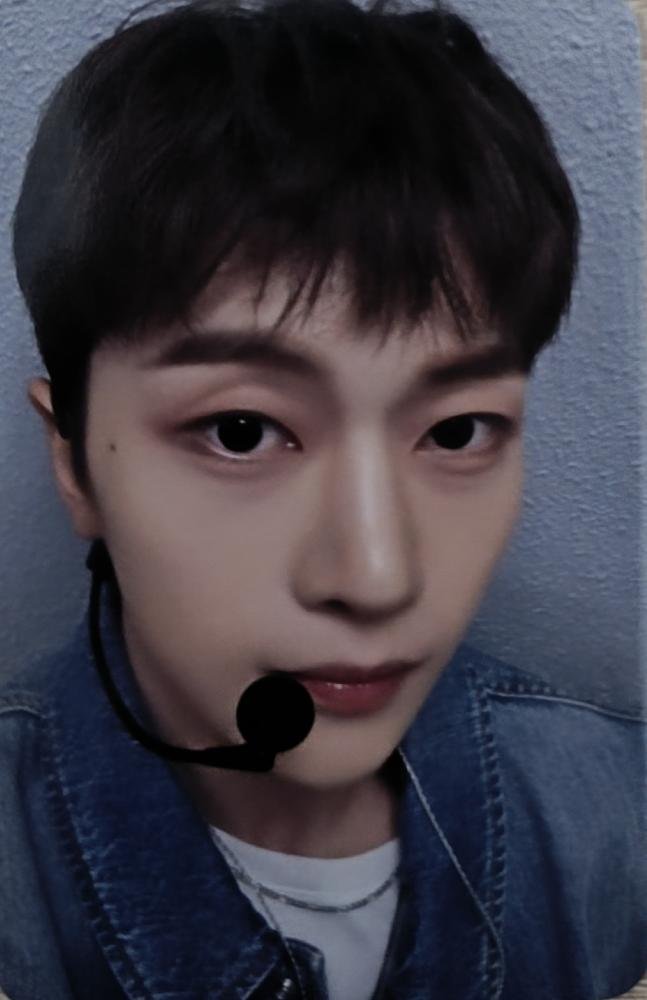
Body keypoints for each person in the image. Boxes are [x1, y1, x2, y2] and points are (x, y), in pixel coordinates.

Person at [2, 0, 645, 997]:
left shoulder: (614, 817)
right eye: (240, 430)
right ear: (73, 458)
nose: (376, 578)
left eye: (455, 431)